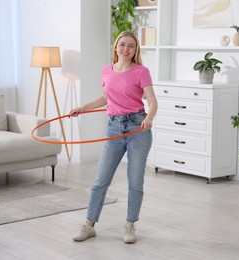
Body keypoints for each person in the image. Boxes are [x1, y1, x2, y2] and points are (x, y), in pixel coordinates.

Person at [69, 30, 158, 244]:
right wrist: (82, 107)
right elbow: (106, 97)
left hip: (138, 128)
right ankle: (89, 225)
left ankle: (130, 225)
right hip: (114, 128)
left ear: (135, 50)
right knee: (101, 180)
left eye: (131, 46)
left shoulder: (141, 71)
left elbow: (153, 102)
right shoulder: (106, 71)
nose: (126, 49)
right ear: (116, 47)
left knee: (135, 181)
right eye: (122, 45)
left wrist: (149, 118)